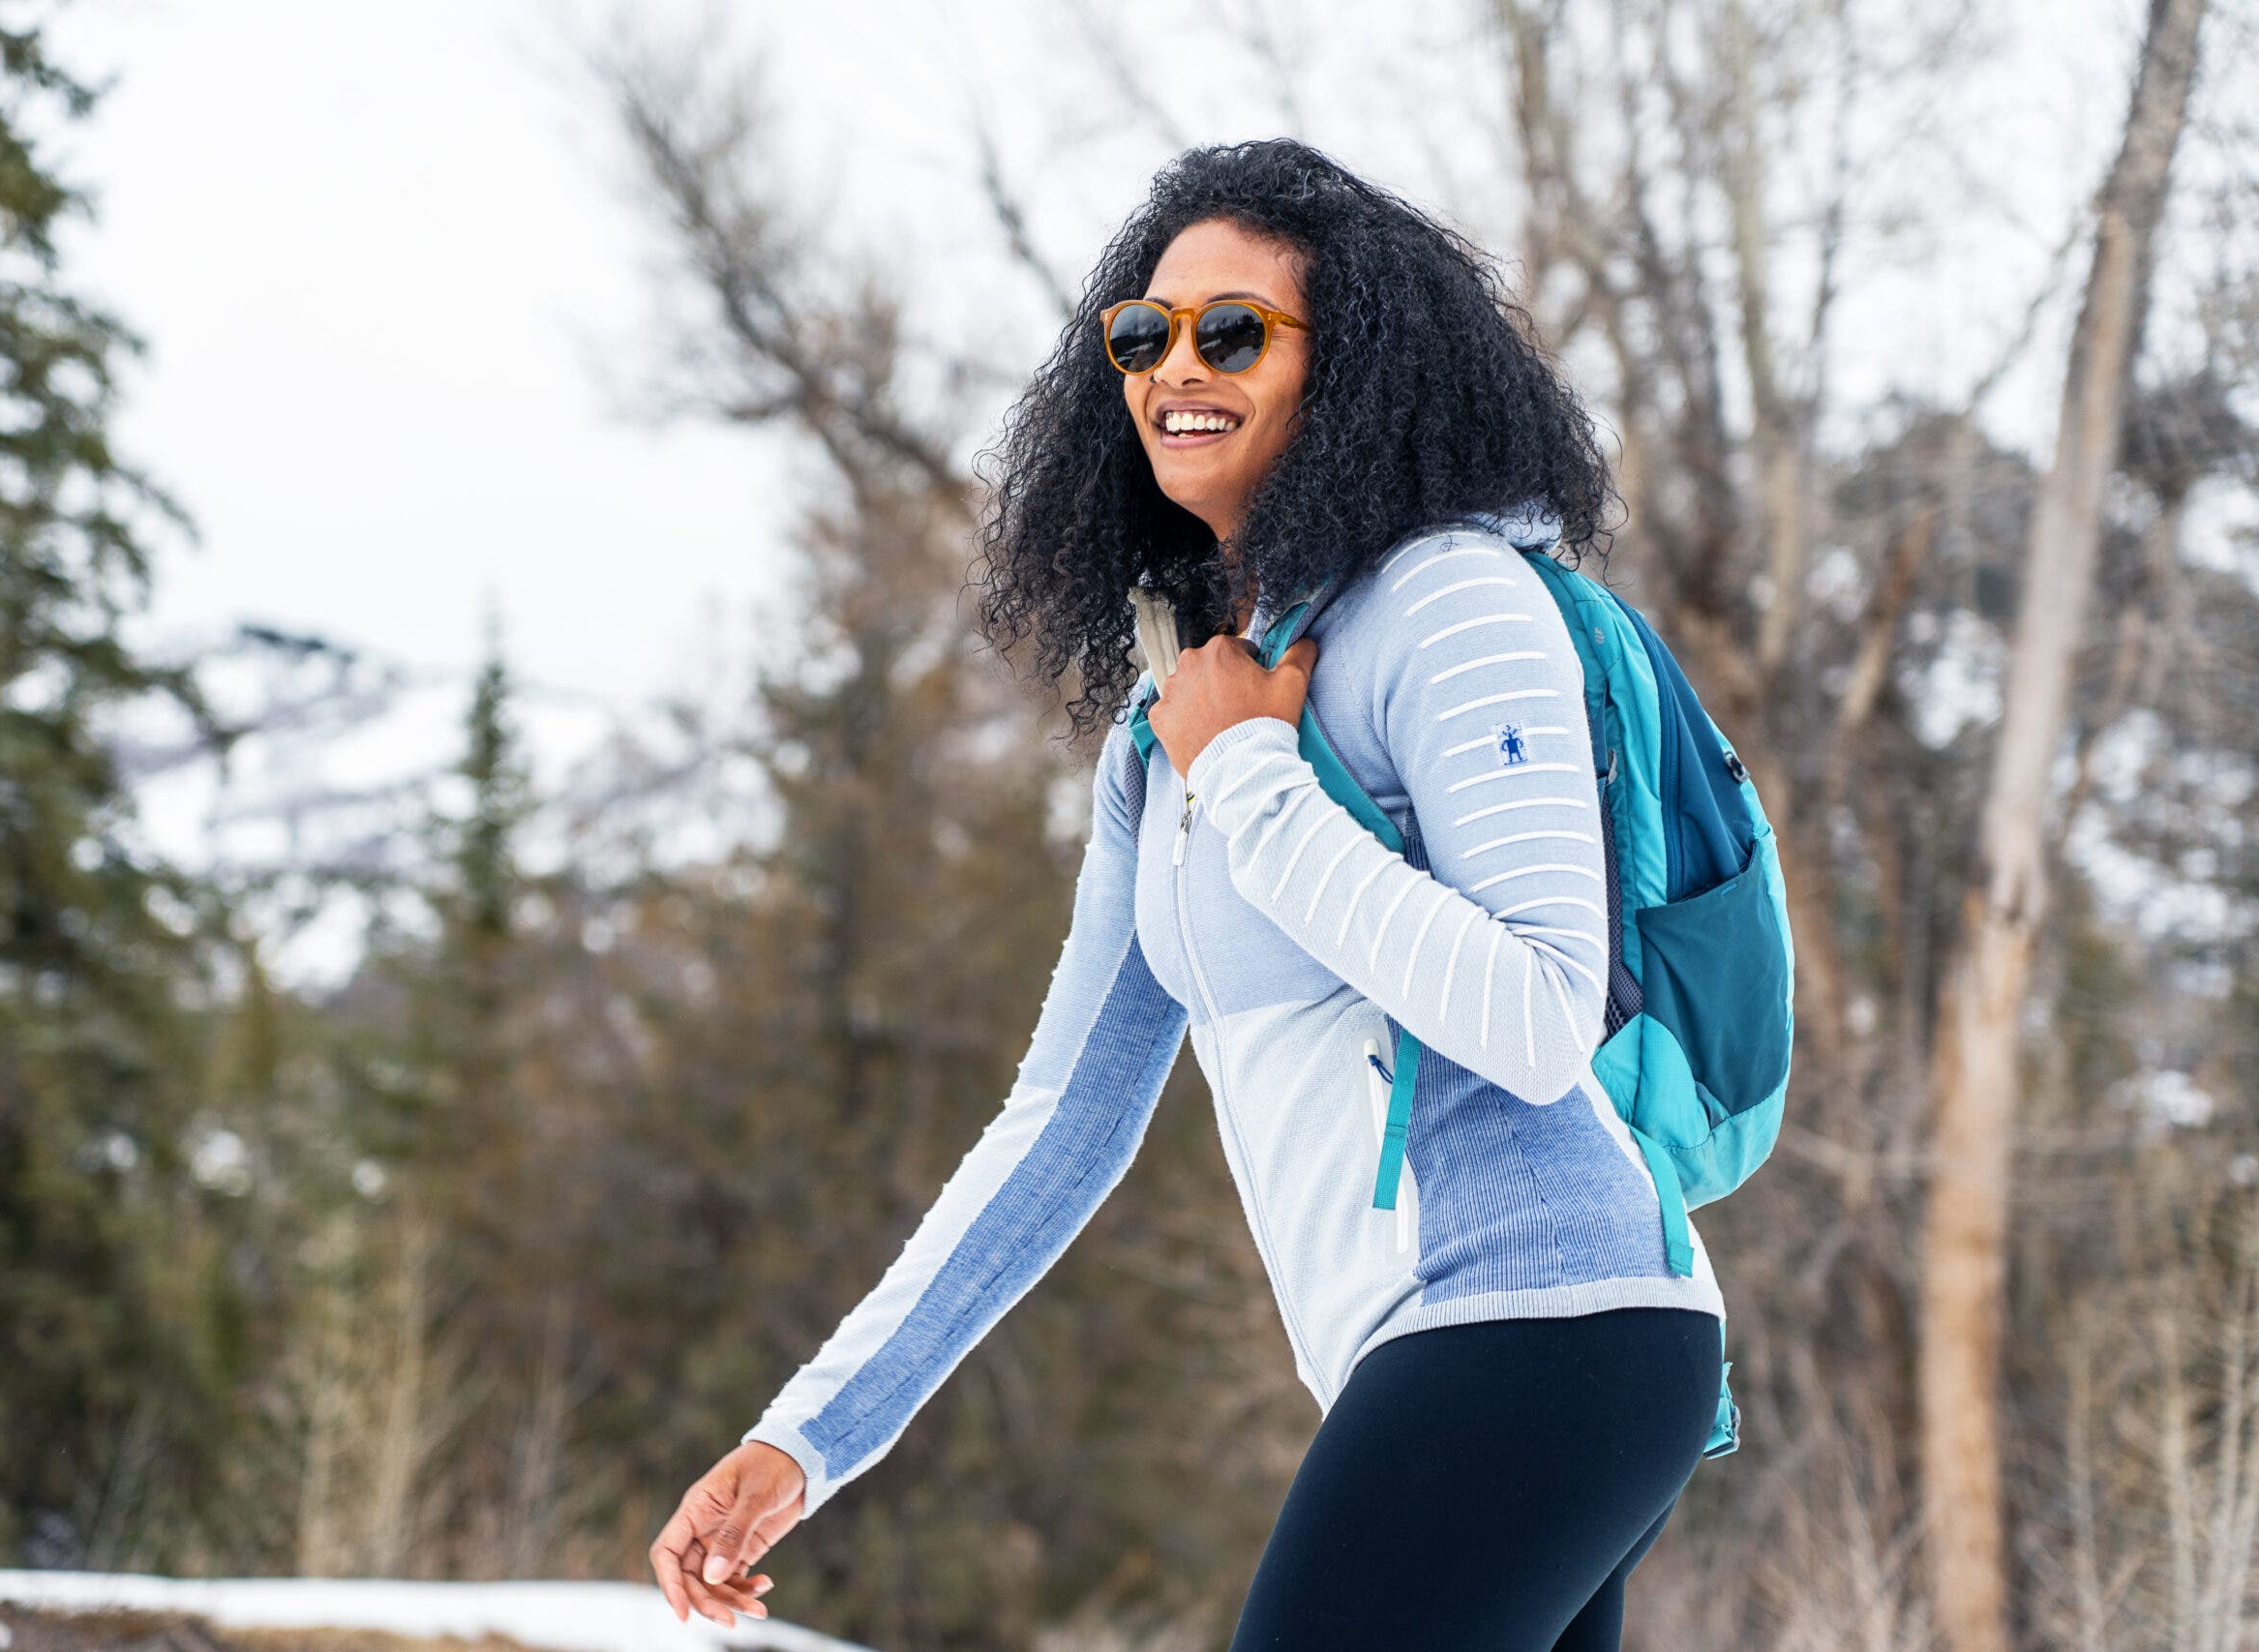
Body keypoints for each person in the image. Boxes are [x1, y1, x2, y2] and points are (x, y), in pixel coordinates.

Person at [650, 137, 1729, 1650]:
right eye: (1143, 336)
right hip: (1445, 1351)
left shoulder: (1455, 602)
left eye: (1234, 332)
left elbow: (1540, 1014)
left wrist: (1260, 783)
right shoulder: (1182, 721)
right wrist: (807, 1440)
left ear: (1352, 366)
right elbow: (1063, 1125)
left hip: (1550, 1324)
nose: (1175, 368)